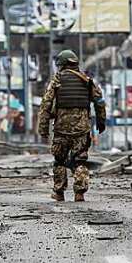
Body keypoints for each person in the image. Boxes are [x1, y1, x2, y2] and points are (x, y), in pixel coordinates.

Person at [37, 49, 107, 202]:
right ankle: (79, 193)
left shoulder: (57, 80)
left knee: (59, 161)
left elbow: (46, 105)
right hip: (82, 129)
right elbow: (99, 101)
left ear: (62, 64)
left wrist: (43, 128)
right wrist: (101, 122)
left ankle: (59, 192)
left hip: (61, 129)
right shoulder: (87, 80)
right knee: (80, 160)